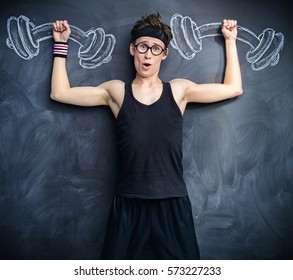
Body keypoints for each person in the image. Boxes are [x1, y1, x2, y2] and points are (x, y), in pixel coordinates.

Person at [51, 12, 242, 260]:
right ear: (133, 49)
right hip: (128, 203)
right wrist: (60, 44)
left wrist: (230, 41)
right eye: (143, 47)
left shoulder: (179, 90)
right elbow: (60, 93)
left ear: (164, 54)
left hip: (172, 203)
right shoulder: (117, 92)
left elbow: (233, 88)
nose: (148, 54)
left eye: (156, 48)